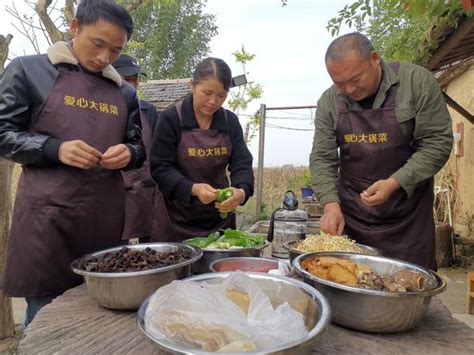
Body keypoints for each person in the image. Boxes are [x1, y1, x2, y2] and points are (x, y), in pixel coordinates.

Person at [0, 0, 145, 325]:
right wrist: (54, 149)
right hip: (46, 223)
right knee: (46, 320)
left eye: (115, 50)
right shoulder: (28, 70)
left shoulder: (124, 93)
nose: (104, 57)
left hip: (103, 222)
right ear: (75, 27)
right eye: (98, 44)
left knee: (100, 319)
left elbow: (138, 147)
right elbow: (3, 133)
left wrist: (129, 153)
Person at [310, 32, 453, 270]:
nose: (348, 89)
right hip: (353, 219)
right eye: (339, 83)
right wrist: (331, 206)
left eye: (355, 79)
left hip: (409, 222)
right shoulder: (329, 102)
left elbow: (438, 143)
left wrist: (395, 182)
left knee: (408, 292)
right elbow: (322, 158)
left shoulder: (416, 83)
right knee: (352, 284)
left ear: (375, 58)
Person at [150, 57, 254, 241]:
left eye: (221, 95)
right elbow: (160, 168)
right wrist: (193, 189)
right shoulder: (171, 119)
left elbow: (242, 163)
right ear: (192, 86)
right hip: (175, 221)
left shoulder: (230, 121)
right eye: (207, 92)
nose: (213, 101)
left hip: (219, 222)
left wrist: (241, 191)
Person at [112, 54, 159, 243]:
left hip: (146, 191)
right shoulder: (103, 110)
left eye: (134, 80)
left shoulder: (149, 111)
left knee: (151, 246)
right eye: (126, 80)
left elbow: (157, 150)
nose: (132, 85)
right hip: (116, 192)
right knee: (116, 244)